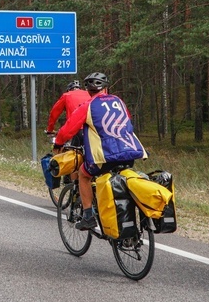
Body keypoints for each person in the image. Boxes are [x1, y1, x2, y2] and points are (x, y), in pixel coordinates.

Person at [53, 72, 147, 230]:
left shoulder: (87, 106)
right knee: (123, 178)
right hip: (130, 151)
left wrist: (58, 145)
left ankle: (89, 216)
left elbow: (67, 130)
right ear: (106, 88)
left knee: (84, 175)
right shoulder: (119, 101)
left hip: (105, 155)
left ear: (88, 91)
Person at [46, 79, 91, 146]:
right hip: (92, 129)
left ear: (69, 89)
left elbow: (54, 113)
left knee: (73, 152)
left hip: (76, 129)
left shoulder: (66, 95)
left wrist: (50, 129)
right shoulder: (90, 94)